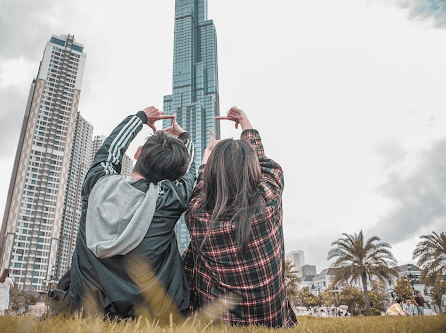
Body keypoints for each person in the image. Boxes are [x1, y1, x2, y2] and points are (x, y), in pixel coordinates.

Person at [67, 107, 195, 318]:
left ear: (137, 153)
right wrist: (184, 138)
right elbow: (188, 173)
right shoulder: (171, 199)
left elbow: (110, 149)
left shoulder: (96, 184)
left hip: (89, 312)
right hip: (154, 315)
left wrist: (141, 118)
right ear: (173, 177)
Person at [183, 106, 298, 328]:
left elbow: (200, 187)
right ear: (252, 170)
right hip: (273, 323)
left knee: (192, 258)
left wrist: (207, 159)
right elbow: (266, 165)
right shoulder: (269, 199)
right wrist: (246, 124)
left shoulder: (197, 216)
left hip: (221, 325)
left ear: (212, 175)